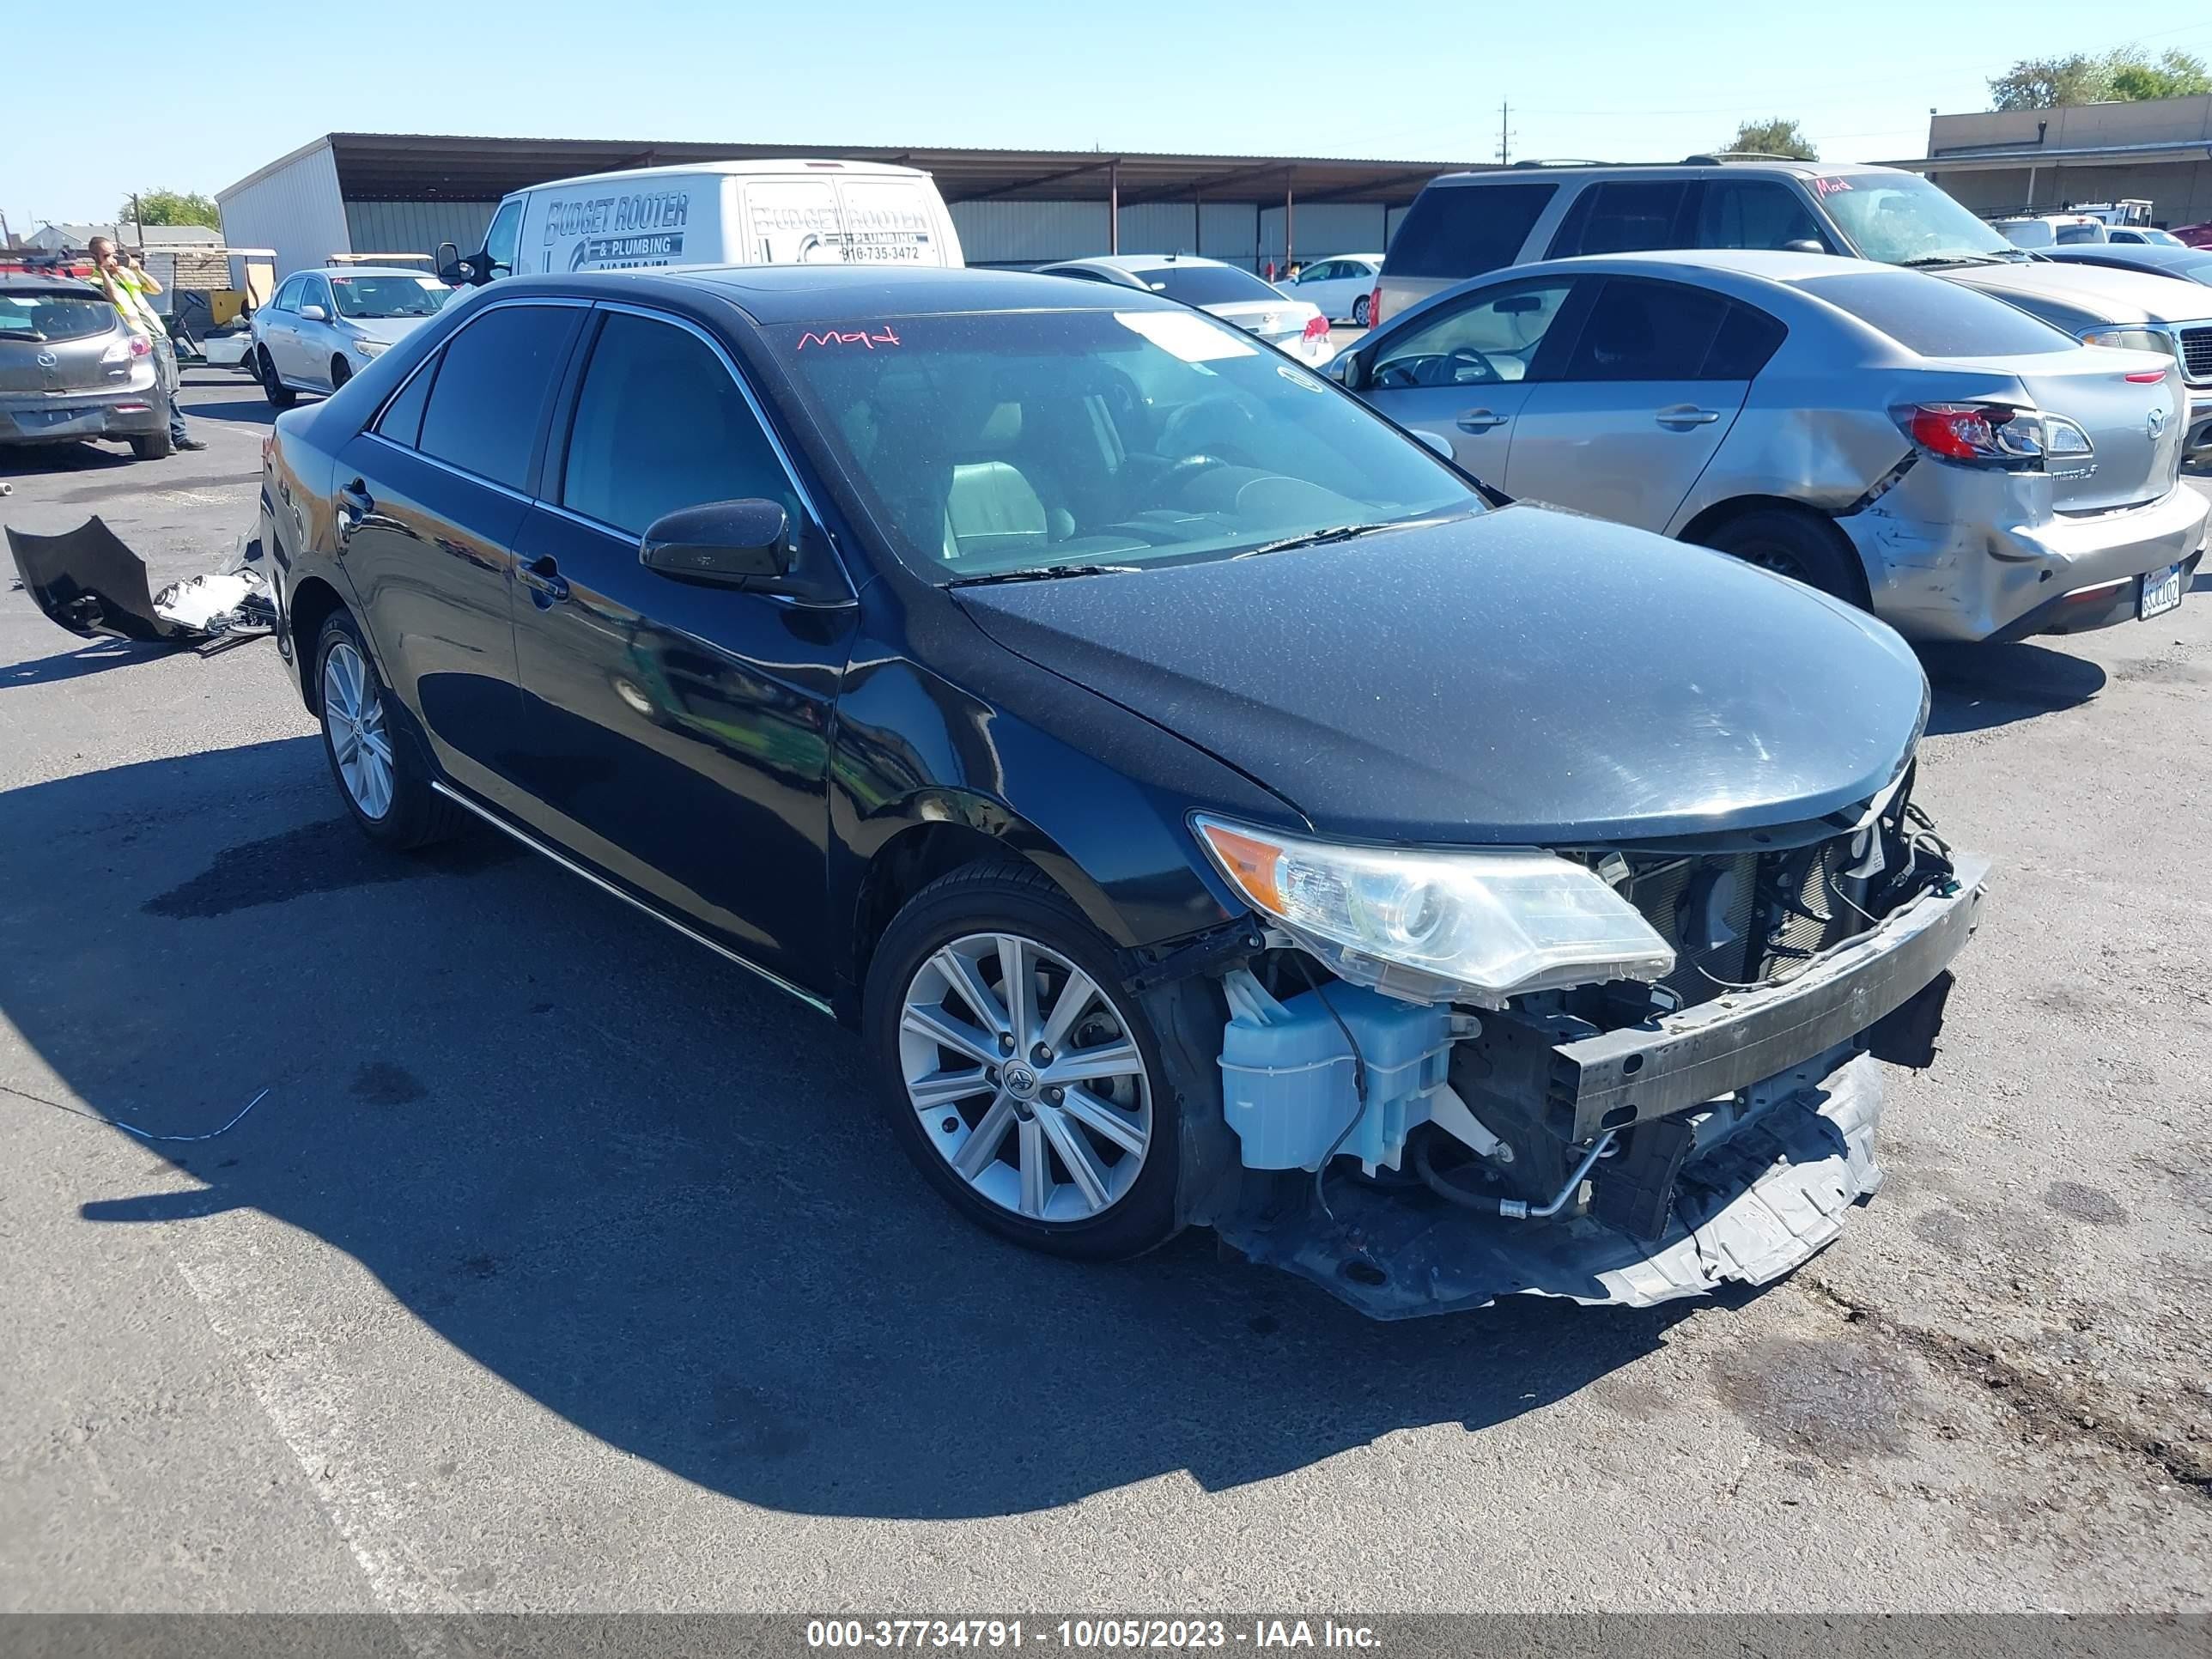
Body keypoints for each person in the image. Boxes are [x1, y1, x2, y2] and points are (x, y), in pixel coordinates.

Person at [88, 235, 203, 453]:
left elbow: (156, 289)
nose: (112, 259)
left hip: (158, 334)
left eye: (113, 254)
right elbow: (112, 298)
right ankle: (164, 439)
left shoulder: (125, 274)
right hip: (140, 341)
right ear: (95, 258)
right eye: (106, 255)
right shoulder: (95, 281)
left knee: (172, 389)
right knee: (159, 391)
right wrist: (104, 272)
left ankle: (180, 436)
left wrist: (137, 269)